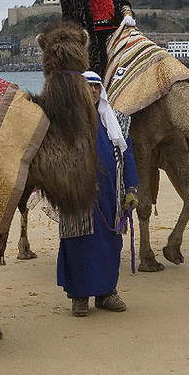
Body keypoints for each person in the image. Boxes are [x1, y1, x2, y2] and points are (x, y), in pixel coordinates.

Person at [57, 71, 139, 316]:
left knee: (109, 243)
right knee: (78, 243)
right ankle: (79, 297)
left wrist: (131, 187)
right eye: (88, 86)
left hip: (110, 195)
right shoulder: (66, 123)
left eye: (96, 87)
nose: (92, 91)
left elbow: (127, 155)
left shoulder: (116, 120)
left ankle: (107, 293)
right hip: (77, 195)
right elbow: (58, 158)